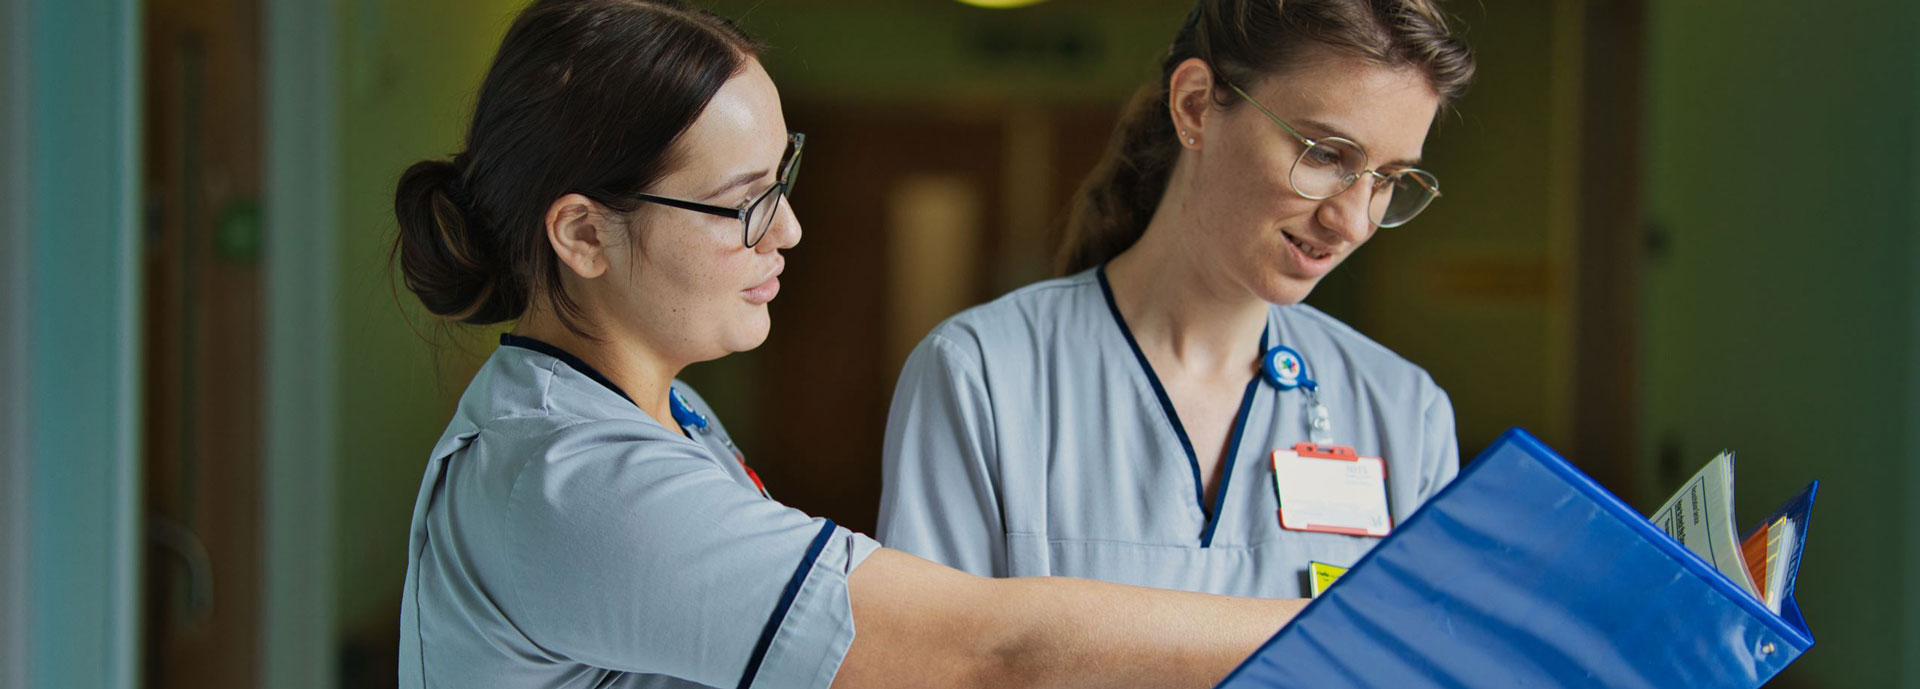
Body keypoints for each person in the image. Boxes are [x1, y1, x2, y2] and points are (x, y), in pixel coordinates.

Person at [392, 2, 1305, 687]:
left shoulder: (653, 413)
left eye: (783, 176)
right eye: (744, 201)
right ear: (584, 234)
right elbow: (987, 645)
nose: (786, 229)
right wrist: (1347, 629)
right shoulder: (576, 482)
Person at [878, 0, 1476, 598]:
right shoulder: (982, 374)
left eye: (1388, 178)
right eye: (1324, 154)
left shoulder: (1403, 413)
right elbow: (929, 658)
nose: (1352, 222)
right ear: (1195, 106)